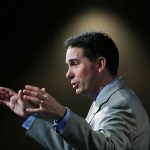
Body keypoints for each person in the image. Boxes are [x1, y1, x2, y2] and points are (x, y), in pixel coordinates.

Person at [0, 31, 149, 150]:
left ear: (100, 64)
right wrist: (30, 116)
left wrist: (62, 115)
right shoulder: (107, 100)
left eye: (75, 63)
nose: (68, 74)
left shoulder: (121, 103)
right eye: (68, 65)